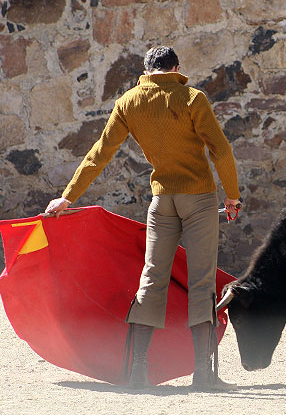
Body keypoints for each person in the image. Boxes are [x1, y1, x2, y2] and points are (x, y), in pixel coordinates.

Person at [45, 46, 241, 391]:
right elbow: (220, 149)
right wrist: (232, 195)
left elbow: (99, 153)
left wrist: (68, 196)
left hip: (161, 200)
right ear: (175, 68)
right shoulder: (192, 98)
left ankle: (137, 371)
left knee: (151, 279)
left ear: (146, 70)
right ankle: (204, 375)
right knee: (200, 281)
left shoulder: (128, 102)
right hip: (198, 199)